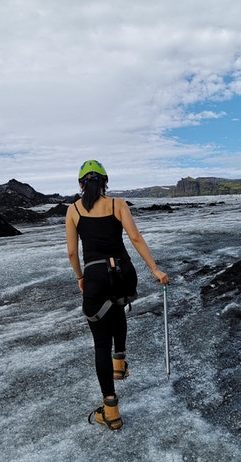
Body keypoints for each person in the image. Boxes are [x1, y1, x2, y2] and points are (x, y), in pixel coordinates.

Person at [66, 160, 169, 430]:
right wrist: (155, 269)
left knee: (101, 342)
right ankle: (119, 362)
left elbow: (72, 253)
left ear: (80, 184)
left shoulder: (73, 211)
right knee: (118, 307)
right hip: (123, 274)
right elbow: (135, 239)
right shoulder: (118, 204)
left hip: (96, 278)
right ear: (105, 182)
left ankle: (110, 411)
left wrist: (80, 277)